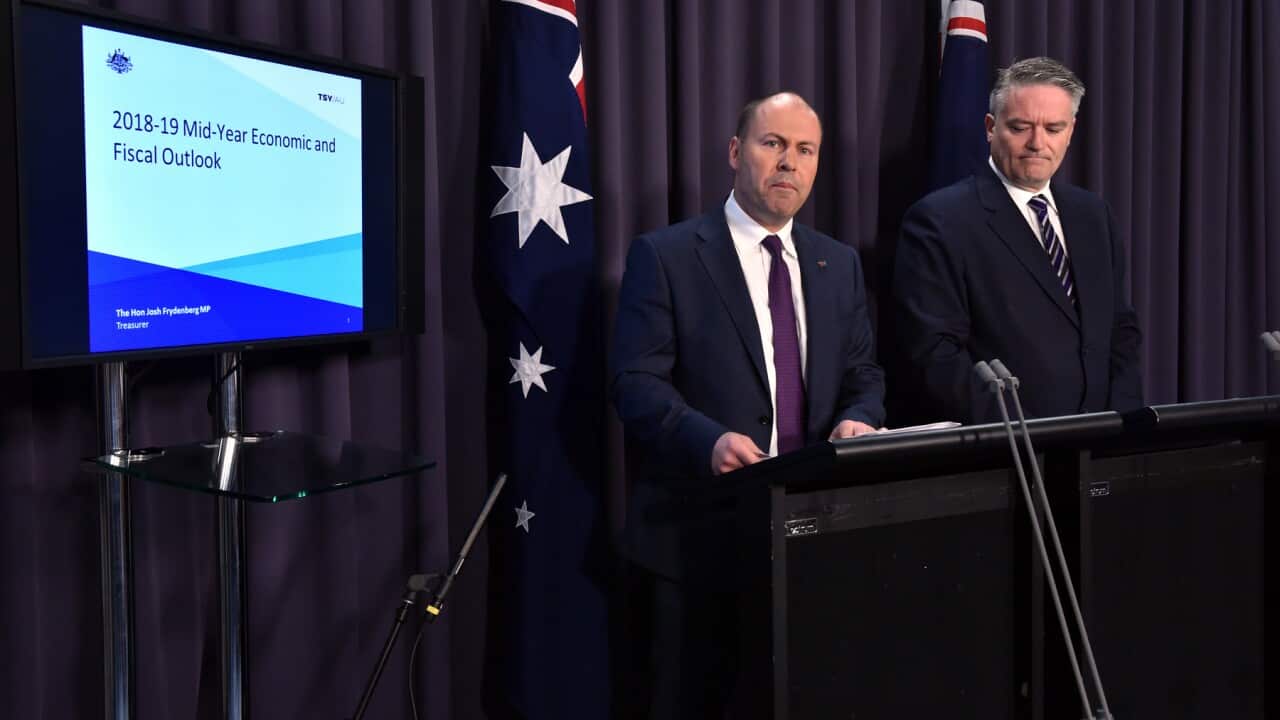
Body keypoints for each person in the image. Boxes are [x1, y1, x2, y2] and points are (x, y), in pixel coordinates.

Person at [611, 92, 885, 718]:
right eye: (774, 144)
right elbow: (635, 383)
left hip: (813, 537)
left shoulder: (837, 263)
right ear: (737, 152)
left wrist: (860, 416)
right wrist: (705, 439)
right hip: (697, 542)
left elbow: (864, 372)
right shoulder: (668, 255)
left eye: (805, 150)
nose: (789, 162)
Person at [892, 56, 1143, 425]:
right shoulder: (940, 220)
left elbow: (1120, 329)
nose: (1037, 143)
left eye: (1053, 128)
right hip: (1010, 449)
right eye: (1021, 127)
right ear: (991, 128)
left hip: (1100, 449)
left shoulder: (1093, 215)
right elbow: (936, 353)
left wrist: (1122, 424)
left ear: (1071, 131)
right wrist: (1026, 432)